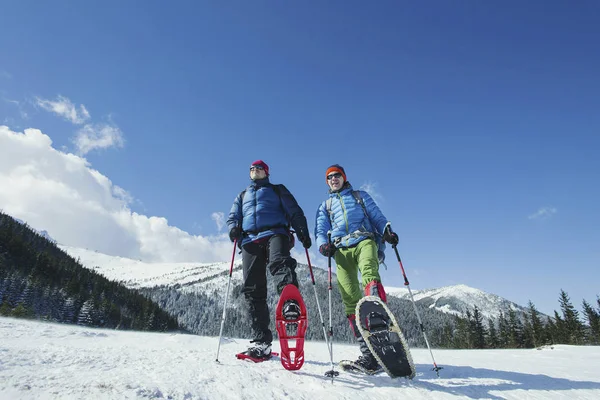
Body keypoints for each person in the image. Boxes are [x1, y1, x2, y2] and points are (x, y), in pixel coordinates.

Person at [314, 164, 399, 373]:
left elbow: (377, 216)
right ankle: (369, 354)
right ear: (327, 182)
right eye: (330, 177)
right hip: (340, 250)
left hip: (364, 240)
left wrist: (387, 231)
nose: (334, 179)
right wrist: (322, 245)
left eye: (337, 175)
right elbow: (320, 229)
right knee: (350, 298)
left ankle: (377, 315)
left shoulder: (360, 196)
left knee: (369, 271)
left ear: (344, 178)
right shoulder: (325, 206)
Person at [227, 160, 312, 360]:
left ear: (266, 172)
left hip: (275, 232)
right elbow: (233, 216)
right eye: (252, 169)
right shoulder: (242, 195)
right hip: (250, 239)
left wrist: (302, 232)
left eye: (259, 168)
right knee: (252, 288)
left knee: (279, 262)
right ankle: (261, 342)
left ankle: (290, 301)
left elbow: (294, 211)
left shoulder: (277, 190)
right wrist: (233, 228)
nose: (255, 171)